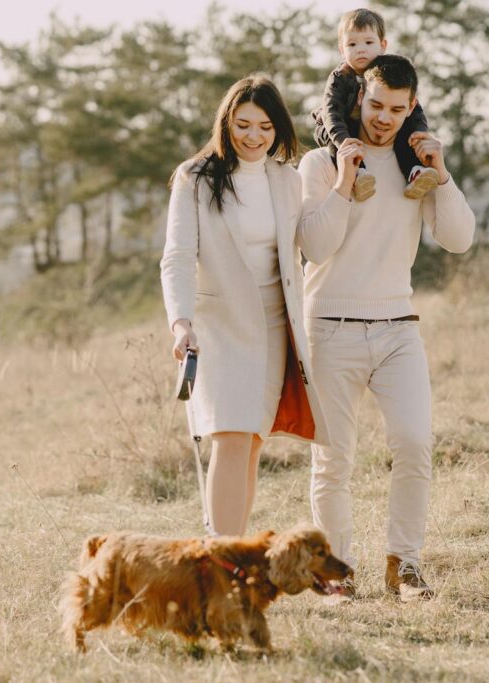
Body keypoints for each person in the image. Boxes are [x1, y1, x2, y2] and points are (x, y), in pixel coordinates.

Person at [298, 54, 475, 601]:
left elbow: (459, 238)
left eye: (398, 109)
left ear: (412, 107)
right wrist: (345, 182)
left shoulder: (413, 160)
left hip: (398, 326)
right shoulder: (319, 162)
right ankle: (337, 572)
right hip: (329, 325)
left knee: (416, 444)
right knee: (334, 459)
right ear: (358, 99)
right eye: (376, 105)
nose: (384, 118)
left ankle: (406, 565)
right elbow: (317, 246)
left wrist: (441, 174)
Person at [160, 75, 331, 537]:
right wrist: (180, 323)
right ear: (226, 124)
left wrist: (344, 189)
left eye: (265, 126)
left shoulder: (287, 180)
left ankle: (232, 559)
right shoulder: (194, 178)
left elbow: (310, 245)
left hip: (276, 327)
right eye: (243, 124)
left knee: (251, 444)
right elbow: (176, 257)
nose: (253, 136)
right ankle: (222, 560)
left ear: (278, 129)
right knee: (231, 440)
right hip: (219, 328)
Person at [311, 8, 438, 202]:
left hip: (365, 126)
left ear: (382, 45)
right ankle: (358, 175)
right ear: (341, 49)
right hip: (335, 125)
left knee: (403, 138)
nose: (360, 49)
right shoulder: (340, 76)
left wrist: (419, 134)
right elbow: (331, 112)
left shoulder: (388, 73)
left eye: (368, 42)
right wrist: (343, 140)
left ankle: (414, 172)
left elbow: (415, 110)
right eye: (352, 44)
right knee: (339, 143)